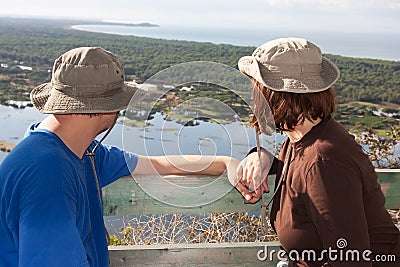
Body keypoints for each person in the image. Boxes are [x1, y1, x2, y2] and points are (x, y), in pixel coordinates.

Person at [0, 47, 252, 266]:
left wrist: (225, 162)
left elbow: (157, 164)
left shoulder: (82, 153)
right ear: (107, 107)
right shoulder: (48, 176)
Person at [236, 37, 400, 266]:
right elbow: (295, 176)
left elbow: (350, 260)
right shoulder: (306, 138)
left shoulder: (323, 160)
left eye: (256, 87)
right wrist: (260, 155)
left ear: (273, 95)